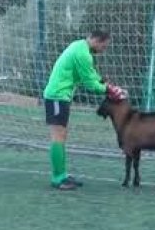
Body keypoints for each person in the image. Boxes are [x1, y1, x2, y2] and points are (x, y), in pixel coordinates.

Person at [43, 30, 125, 190]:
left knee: (61, 135)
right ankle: (58, 178)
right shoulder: (83, 54)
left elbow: (90, 74)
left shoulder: (79, 47)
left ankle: (62, 174)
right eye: (104, 46)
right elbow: (90, 85)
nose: (103, 50)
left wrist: (106, 84)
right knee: (57, 136)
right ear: (97, 40)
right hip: (57, 96)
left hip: (60, 96)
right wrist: (110, 91)